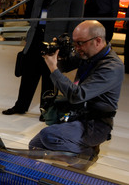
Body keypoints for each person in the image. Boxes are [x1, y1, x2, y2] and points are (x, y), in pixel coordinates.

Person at [29, 20, 124, 167]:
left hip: (95, 124)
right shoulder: (88, 53)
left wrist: (53, 68)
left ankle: (85, 154)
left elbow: (76, 95)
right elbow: (65, 66)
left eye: (80, 43)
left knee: (48, 136)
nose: (77, 48)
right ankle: (70, 158)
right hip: (78, 115)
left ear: (98, 40)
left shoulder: (112, 67)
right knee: (35, 147)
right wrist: (58, 54)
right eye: (74, 43)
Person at [2, 0, 84, 118]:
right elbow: (34, 11)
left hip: (55, 40)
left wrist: (68, 44)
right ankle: (21, 105)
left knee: (50, 76)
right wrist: (30, 33)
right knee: (28, 73)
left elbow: (75, 20)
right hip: (36, 36)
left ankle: (47, 110)